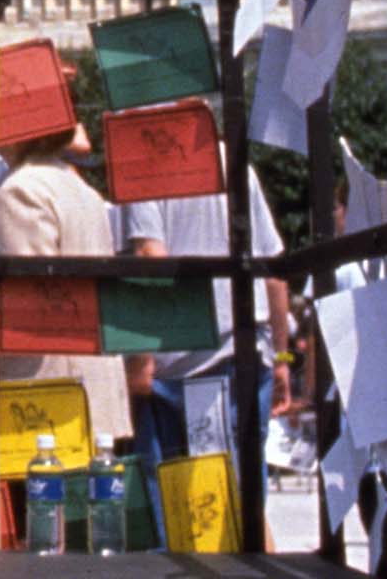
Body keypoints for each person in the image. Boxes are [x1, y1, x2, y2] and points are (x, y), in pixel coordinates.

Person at [115, 163, 293, 464]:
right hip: (248, 351)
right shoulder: (237, 166)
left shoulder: (143, 166)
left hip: (179, 365)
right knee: (242, 490)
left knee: (183, 497)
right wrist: (282, 359)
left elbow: (150, 258)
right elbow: (274, 272)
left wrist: (140, 356)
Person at [0, 119, 130, 448]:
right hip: (94, 393)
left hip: (49, 401)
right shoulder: (83, 190)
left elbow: (30, 307)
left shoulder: (20, 190)